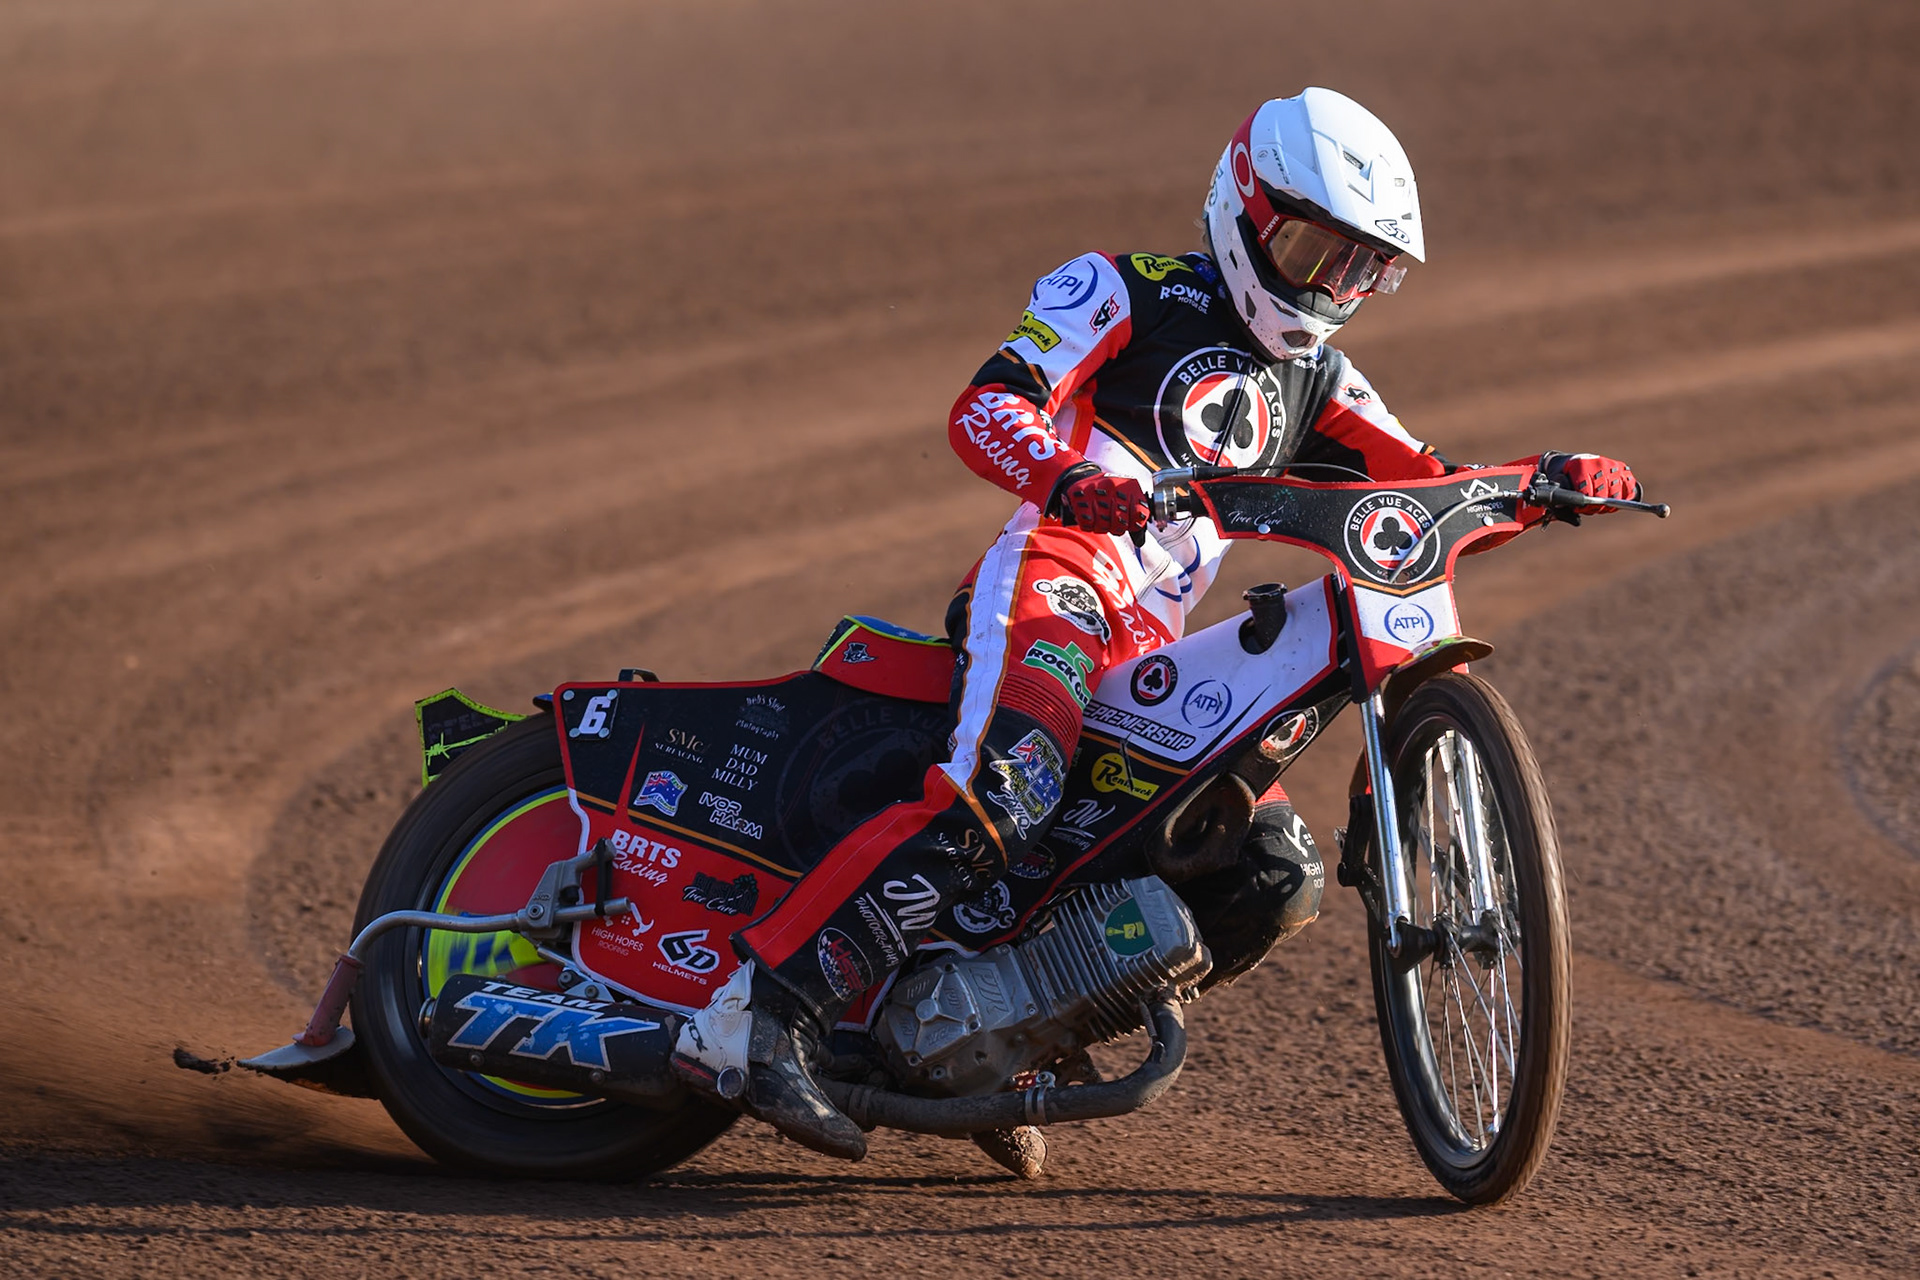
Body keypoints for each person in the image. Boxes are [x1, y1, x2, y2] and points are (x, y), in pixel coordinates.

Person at [672, 88, 1639, 1160]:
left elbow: (1418, 499)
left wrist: (1538, 486)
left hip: (1152, 647)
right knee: (1014, 783)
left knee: (1266, 870)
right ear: (1244, 204)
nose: (1330, 285)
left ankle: (1017, 1032)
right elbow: (987, 405)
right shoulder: (1120, 288)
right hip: (1058, 581)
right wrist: (1066, 476)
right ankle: (764, 1015)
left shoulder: (1321, 379)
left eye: (1362, 268)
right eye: (1316, 248)